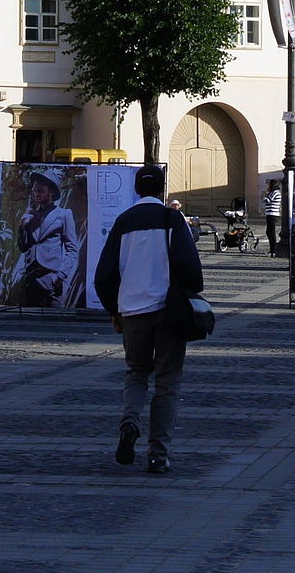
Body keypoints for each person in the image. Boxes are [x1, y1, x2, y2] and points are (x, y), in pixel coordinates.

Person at [94, 166, 202, 476]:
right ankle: (158, 455)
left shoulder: (123, 221)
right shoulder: (172, 219)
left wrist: (115, 309)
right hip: (167, 312)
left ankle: (130, 421)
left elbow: (104, 275)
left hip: (132, 311)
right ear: (163, 189)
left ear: (137, 189)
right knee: (167, 382)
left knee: (137, 372)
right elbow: (190, 268)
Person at [12, 172, 79, 308]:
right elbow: (23, 247)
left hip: (52, 277)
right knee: (32, 322)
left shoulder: (64, 214)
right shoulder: (31, 215)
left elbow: (72, 249)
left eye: (41, 191)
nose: (37, 194)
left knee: (55, 322)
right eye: (35, 191)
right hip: (31, 278)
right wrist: (22, 227)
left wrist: (60, 275)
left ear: (52, 193)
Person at [262, 181, 284, 257]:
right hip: (270, 214)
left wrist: (266, 194)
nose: (268, 186)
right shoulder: (274, 192)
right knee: (269, 232)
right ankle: (272, 250)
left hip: (272, 214)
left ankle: (273, 250)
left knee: (271, 232)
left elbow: (266, 200)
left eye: (269, 185)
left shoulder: (275, 192)